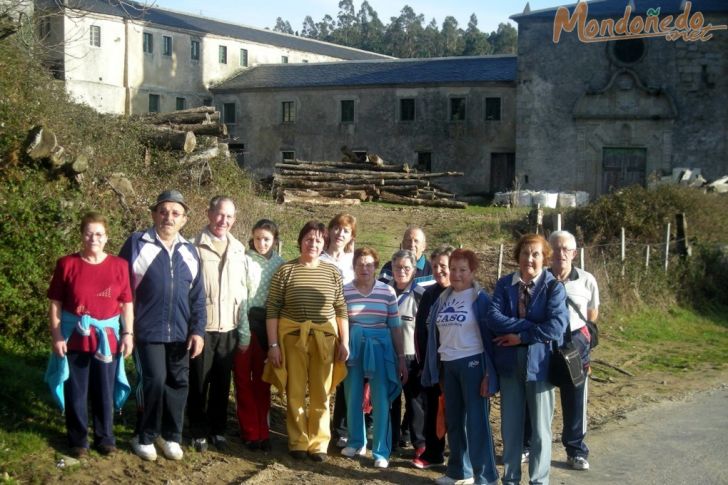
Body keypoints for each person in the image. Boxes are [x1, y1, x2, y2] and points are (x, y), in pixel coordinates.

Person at [120, 190, 206, 462]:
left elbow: (198, 296)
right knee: (154, 381)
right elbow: (122, 291)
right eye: (163, 211)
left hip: (181, 333)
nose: (169, 217)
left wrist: (198, 331)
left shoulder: (190, 251)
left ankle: (171, 436)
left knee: (178, 383)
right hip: (147, 331)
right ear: (154, 214)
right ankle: (144, 436)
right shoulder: (137, 243)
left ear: (184, 219)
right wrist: (126, 330)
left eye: (175, 213)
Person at [46, 211, 134, 457]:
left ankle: (105, 438)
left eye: (98, 234)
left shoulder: (119, 266)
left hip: (107, 338)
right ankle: (78, 440)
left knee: (104, 391)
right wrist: (56, 336)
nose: (93, 238)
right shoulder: (67, 264)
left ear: (106, 237)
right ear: (81, 235)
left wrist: (128, 334)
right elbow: (55, 304)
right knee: (77, 391)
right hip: (74, 336)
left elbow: (127, 304)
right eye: (88, 233)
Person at [263, 220, 349, 462]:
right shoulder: (286, 271)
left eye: (318, 240)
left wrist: (345, 342)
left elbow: (341, 308)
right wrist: (273, 345)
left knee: (322, 393)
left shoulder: (332, 272)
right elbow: (273, 309)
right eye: (308, 239)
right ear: (300, 241)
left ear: (324, 244)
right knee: (295, 391)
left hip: (324, 341)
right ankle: (298, 440)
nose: (313, 243)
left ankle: (319, 443)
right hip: (292, 340)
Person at [487, 234, 569, 485]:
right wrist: (531, 327)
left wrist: (519, 336)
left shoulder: (554, 287)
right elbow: (493, 318)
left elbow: (556, 326)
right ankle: (510, 479)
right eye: (525, 253)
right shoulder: (504, 285)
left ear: (545, 258)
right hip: (510, 367)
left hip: (541, 367)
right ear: (517, 256)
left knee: (541, 431)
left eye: (535, 254)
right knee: (510, 429)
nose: (529, 259)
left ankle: (539, 480)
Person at [422, 249, 500, 485]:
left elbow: (492, 338)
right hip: (448, 364)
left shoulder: (481, 299)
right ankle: (459, 471)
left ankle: (485, 477)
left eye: (462, 270)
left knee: (476, 423)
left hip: (473, 363)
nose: (456, 274)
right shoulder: (443, 298)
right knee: (453, 420)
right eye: (453, 269)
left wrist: (489, 372)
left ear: (472, 272)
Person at [187, 196, 247, 452]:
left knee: (222, 382)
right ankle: (197, 430)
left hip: (229, 327)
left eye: (230, 216)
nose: (224, 221)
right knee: (199, 381)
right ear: (209, 213)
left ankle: (218, 429)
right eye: (220, 214)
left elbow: (243, 289)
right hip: (203, 327)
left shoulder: (239, 249)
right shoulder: (192, 246)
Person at [340, 247, 408, 469]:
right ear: (354, 266)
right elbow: (340, 323)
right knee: (353, 396)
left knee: (380, 400)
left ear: (376, 267)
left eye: (369, 264)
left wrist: (400, 357)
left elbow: (395, 327)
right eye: (360, 264)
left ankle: (381, 451)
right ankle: (356, 441)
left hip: (381, 348)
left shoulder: (387, 292)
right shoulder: (345, 291)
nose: (364, 268)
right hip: (354, 348)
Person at [548, 230, 599, 471]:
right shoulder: (540, 278)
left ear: (574, 253)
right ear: (549, 253)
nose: (561, 254)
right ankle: (529, 446)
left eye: (566, 249)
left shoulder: (587, 279)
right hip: (545, 345)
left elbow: (591, 314)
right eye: (556, 249)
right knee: (537, 399)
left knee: (575, 399)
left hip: (575, 347)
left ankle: (576, 450)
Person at [234, 219, 285, 451]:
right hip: (246, 324)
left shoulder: (280, 264)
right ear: (252, 238)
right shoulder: (244, 260)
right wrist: (243, 332)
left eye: (266, 239)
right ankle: (250, 430)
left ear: (274, 240)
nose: (261, 243)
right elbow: (240, 297)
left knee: (263, 381)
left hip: (270, 328)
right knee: (244, 380)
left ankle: (263, 431)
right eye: (257, 238)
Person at [413, 245, 454, 469]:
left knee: (454, 410)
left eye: (444, 266)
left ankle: (458, 456)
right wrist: (422, 363)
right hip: (432, 363)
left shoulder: (462, 292)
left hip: (455, 362)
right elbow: (420, 330)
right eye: (436, 265)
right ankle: (433, 453)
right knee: (433, 409)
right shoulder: (429, 294)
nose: (439, 270)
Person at [320, 213, 357, 447]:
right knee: (322, 376)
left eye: (346, 230)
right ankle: (319, 427)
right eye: (337, 228)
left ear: (351, 236)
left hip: (349, 323)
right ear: (329, 231)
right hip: (324, 323)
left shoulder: (353, 261)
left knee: (345, 376)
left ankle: (341, 428)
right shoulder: (319, 258)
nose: (340, 233)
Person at [386, 249, 426, 453]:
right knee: (391, 400)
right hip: (389, 355)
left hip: (413, 356)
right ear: (391, 268)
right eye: (397, 267)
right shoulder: (384, 291)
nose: (401, 271)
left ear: (414, 271)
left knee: (415, 402)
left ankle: (419, 444)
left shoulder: (421, 295)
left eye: (406, 268)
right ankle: (391, 442)